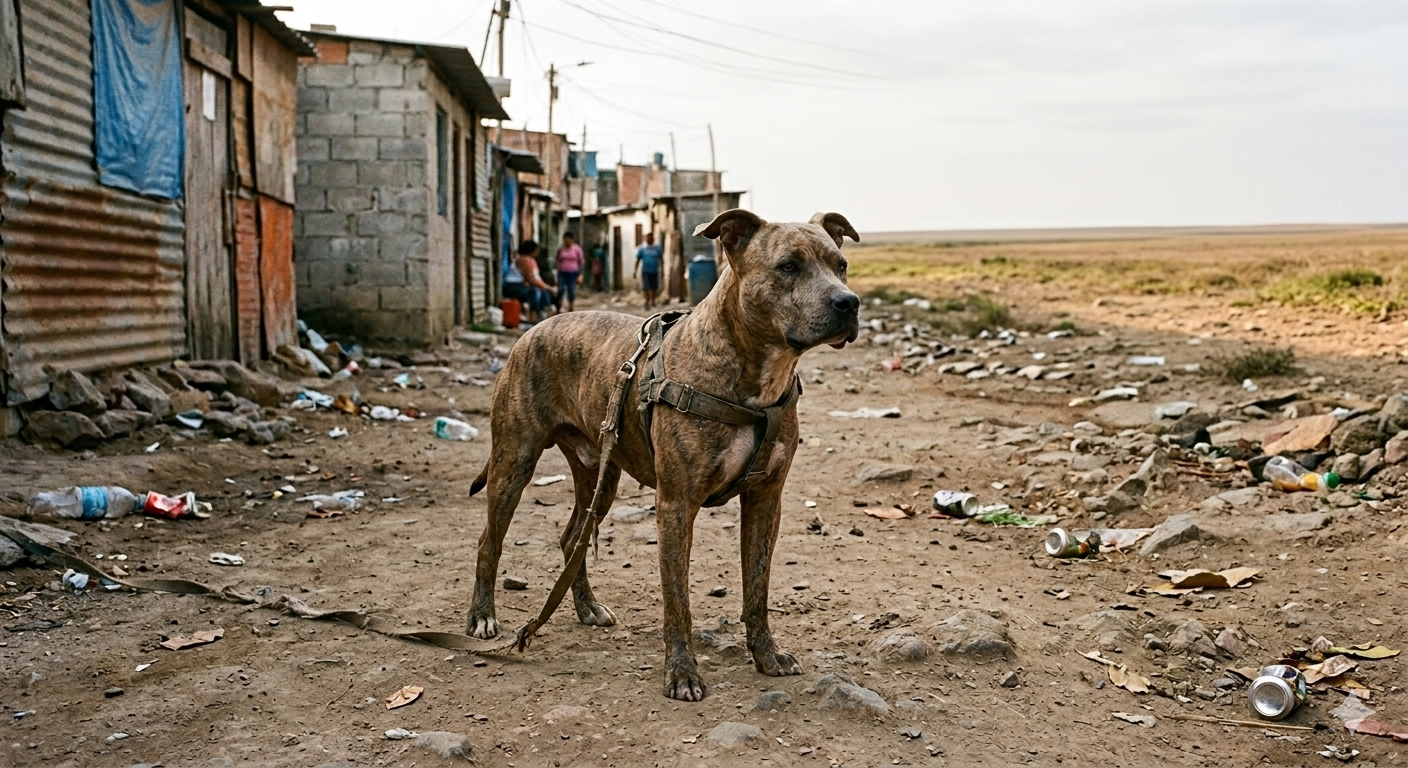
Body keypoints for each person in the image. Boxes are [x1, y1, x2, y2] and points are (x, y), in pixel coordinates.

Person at [502, 240, 556, 322]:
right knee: (534, 292)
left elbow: (536, 279)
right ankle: (533, 316)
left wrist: (546, 287)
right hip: (512, 286)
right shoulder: (523, 260)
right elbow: (531, 279)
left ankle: (544, 314)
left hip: (521, 285)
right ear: (531, 250)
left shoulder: (531, 260)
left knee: (544, 292)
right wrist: (549, 287)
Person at [633, 231, 663, 309]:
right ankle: (646, 301)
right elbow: (638, 260)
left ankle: (652, 301)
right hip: (645, 270)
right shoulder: (642, 248)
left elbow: (661, 259)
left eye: (651, 238)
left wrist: (662, 269)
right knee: (646, 287)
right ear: (645, 239)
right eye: (648, 238)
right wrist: (635, 271)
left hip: (654, 270)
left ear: (653, 239)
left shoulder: (657, 248)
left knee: (653, 287)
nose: (649, 239)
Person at [555, 232, 584, 312]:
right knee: (560, 290)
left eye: (568, 240)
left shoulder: (577, 249)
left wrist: (580, 274)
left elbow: (581, 262)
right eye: (565, 240)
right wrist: (557, 272)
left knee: (571, 290)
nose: (566, 242)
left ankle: (571, 308)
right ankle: (558, 308)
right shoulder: (561, 249)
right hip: (562, 272)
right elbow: (557, 261)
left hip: (573, 272)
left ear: (572, 240)